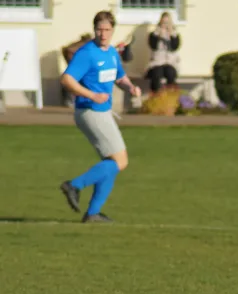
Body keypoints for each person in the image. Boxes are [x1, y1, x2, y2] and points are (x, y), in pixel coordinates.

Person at [59, 10, 141, 223]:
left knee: (111, 162)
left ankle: (93, 213)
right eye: (99, 29)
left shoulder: (112, 52)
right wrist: (91, 94)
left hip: (102, 112)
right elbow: (66, 79)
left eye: (107, 30)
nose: (103, 34)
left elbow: (119, 77)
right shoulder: (87, 53)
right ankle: (74, 185)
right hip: (90, 112)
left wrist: (130, 87)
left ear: (113, 30)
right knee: (121, 162)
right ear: (94, 29)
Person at [146, 11, 181, 93]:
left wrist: (171, 34)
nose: (165, 25)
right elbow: (152, 46)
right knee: (157, 73)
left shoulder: (175, 34)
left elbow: (175, 47)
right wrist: (157, 35)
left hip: (170, 63)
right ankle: (155, 96)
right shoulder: (154, 34)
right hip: (157, 62)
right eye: (164, 22)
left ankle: (170, 96)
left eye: (167, 22)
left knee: (170, 73)